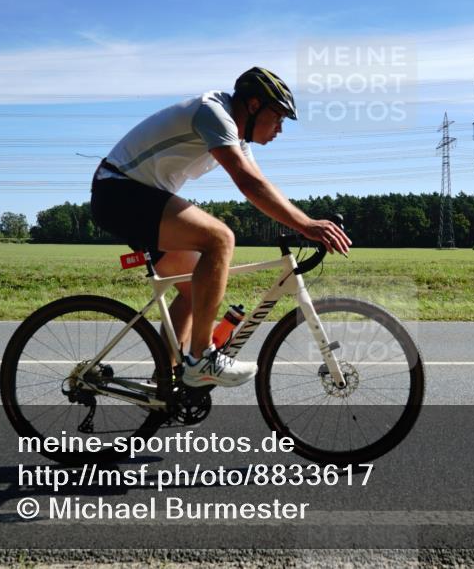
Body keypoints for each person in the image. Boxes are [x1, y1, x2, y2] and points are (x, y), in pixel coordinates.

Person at [90, 67, 351, 388]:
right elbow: (247, 183)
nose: (280, 129)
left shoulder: (237, 138)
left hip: (137, 196)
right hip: (118, 191)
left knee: (193, 291)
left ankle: (166, 385)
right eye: (278, 117)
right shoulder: (213, 113)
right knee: (220, 239)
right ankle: (202, 358)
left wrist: (304, 223)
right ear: (254, 105)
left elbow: (261, 185)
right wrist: (308, 226)